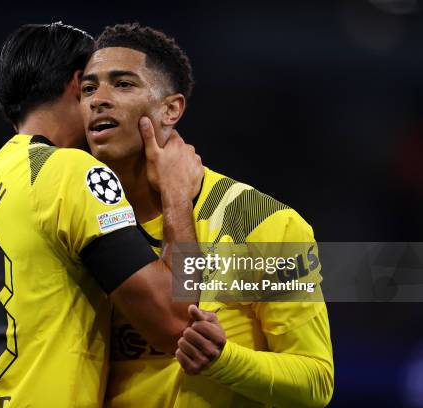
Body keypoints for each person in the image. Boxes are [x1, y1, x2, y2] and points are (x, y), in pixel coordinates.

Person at [0, 22, 203, 408]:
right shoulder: (67, 172)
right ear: (77, 84)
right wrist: (177, 193)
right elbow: (177, 320)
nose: (100, 99)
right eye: (93, 86)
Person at [79, 23, 334, 407]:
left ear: (171, 109)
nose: (99, 98)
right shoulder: (76, 221)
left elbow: (316, 382)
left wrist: (223, 360)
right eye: (88, 88)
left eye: (123, 84)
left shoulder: (261, 222)